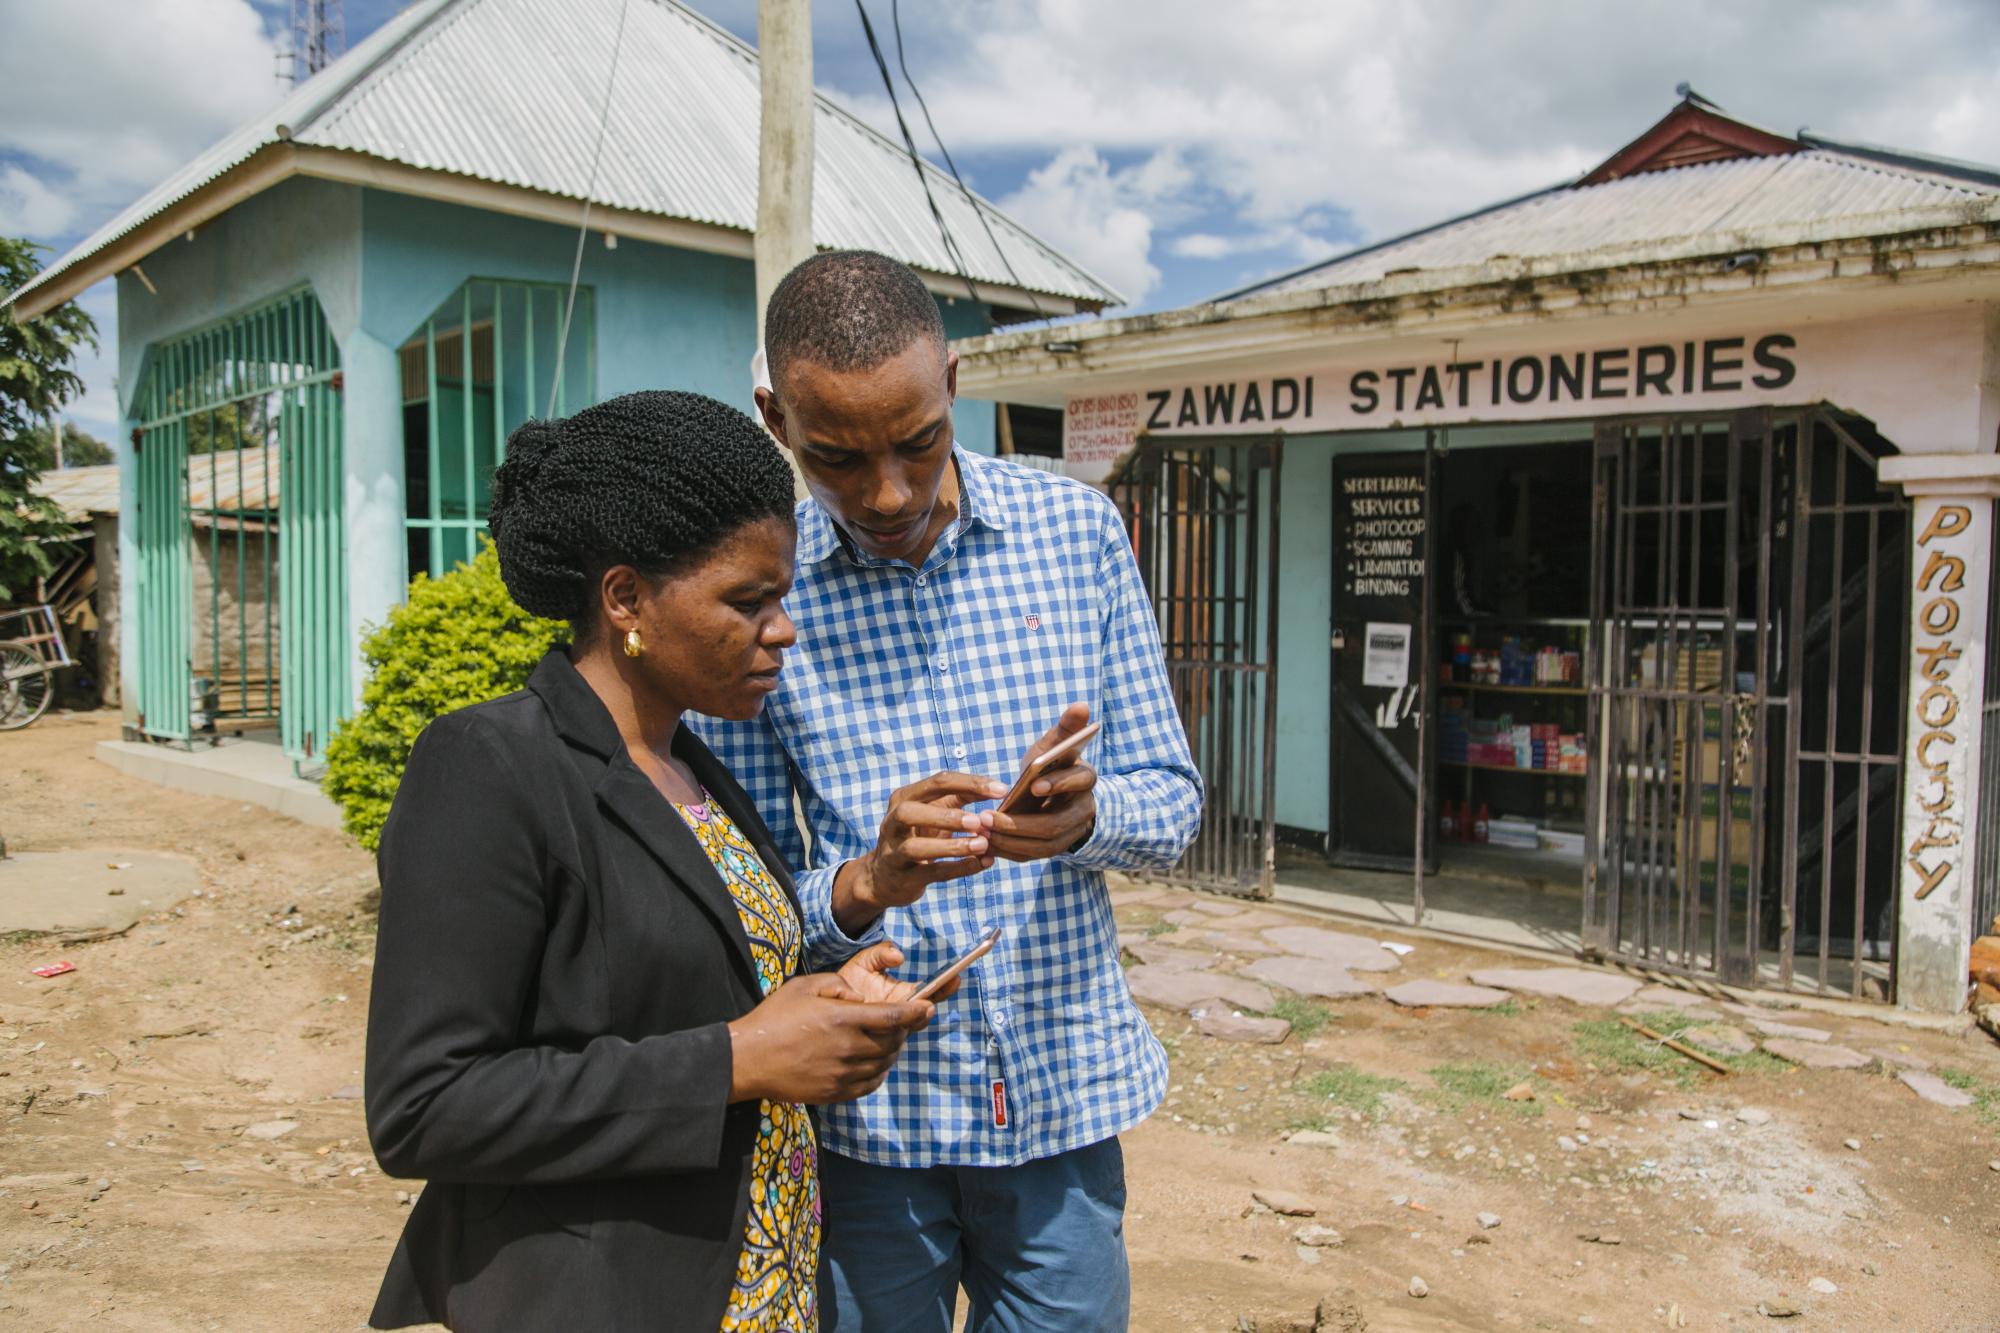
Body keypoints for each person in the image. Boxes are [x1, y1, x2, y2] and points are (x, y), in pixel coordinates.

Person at [693, 252, 1204, 1332]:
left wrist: (1084, 820)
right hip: (869, 1129)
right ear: (772, 418)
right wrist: (864, 883)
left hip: (1062, 1105)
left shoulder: (1077, 537)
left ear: (954, 384)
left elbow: (1172, 806)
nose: (887, 492)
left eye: (917, 442)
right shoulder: (753, 593)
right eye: (835, 457)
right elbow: (726, 896)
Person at [364, 390, 945, 1333]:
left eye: (784, 596)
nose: (784, 628)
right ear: (627, 598)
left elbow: (683, 984)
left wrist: (831, 992)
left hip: (765, 1285)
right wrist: (739, 1059)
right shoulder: (489, 765)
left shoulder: (692, 766)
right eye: (746, 601)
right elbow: (426, 1104)